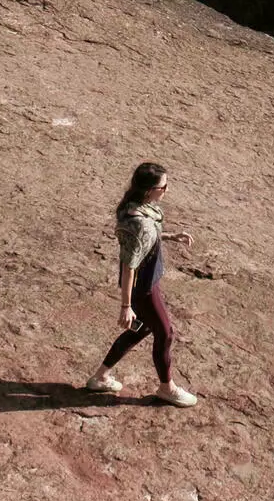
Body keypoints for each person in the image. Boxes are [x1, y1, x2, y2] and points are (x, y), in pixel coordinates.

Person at [84, 162, 199, 406]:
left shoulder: (137, 207)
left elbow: (147, 237)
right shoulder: (138, 223)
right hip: (143, 288)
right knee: (165, 333)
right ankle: (167, 387)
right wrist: (126, 306)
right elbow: (129, 266)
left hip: (145, 284)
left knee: (140, 330)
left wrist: (170, 235)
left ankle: (100, 377)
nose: (166, 190)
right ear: (148, 190)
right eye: (163, 186)